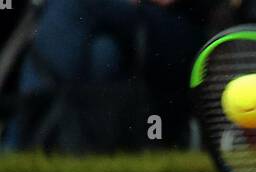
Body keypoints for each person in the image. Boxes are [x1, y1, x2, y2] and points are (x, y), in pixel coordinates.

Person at [2, 0, 211, 152]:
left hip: (178, 29)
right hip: (123, 24)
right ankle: (74, 150)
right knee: (103, 53)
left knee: (70, 6)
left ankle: (18, 141)